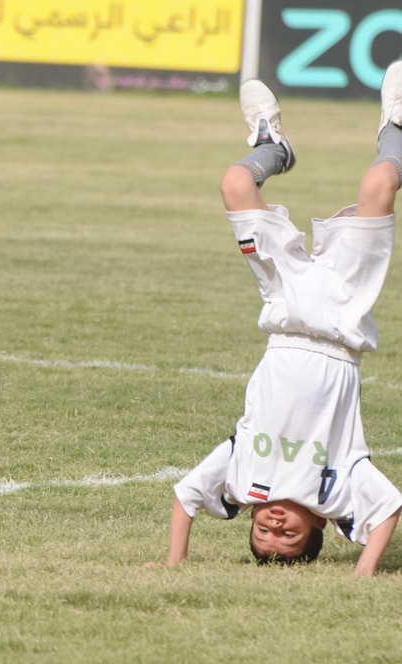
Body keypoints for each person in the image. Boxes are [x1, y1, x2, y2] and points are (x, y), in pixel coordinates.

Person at [156, 64, 402, 577]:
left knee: (234, 182)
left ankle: (273, 146)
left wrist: (173, 565)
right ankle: (394, 131)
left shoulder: (242, 478)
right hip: (341, 317)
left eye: (261, 531)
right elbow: (389, 510)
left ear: (246, 517)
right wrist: (363, 573)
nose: (272, 525)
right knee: (380, 182)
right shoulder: (338, 490)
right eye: (285, 534)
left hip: (284, 309)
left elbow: (185, 497)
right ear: (315, 527)